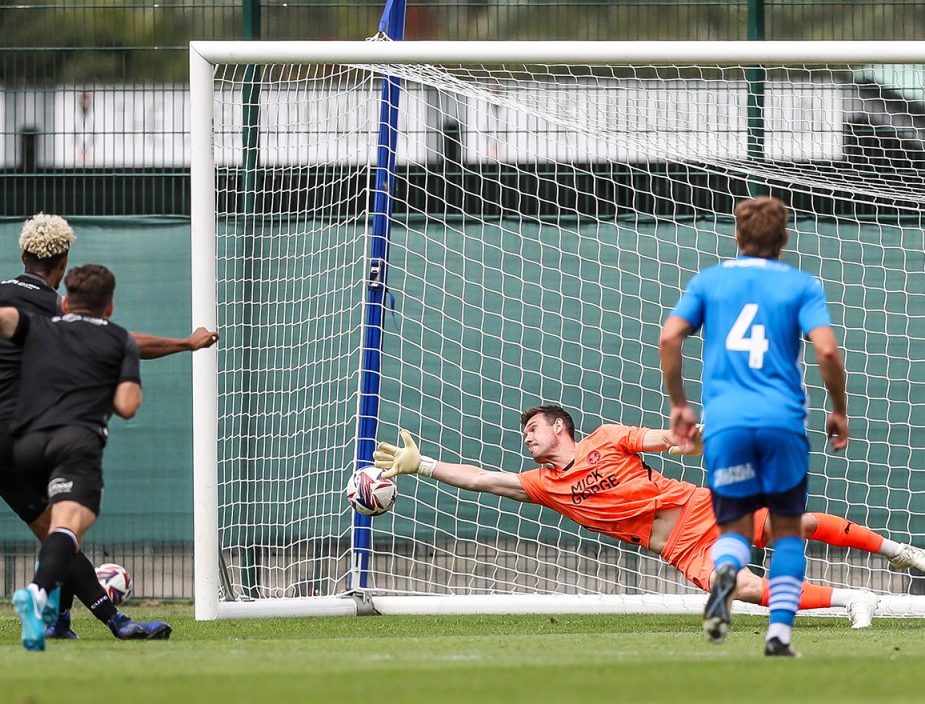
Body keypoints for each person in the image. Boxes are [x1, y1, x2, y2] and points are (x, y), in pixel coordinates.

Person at [374, 405, 924, 632]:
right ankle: (853, 599)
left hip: (698, 504)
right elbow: (483, 479)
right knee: (742, 590)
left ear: (560, 428)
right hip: (677, 547)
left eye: (534, 428)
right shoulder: (542, 484)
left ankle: (901, 553)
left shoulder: (607, 440)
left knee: (795, 523)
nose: (528, 436)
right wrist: (422, 466)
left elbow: (669, 440)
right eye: (525, 433)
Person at [0, 213, 219, 642]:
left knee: (58, 530)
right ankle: (110, 622)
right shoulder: (56, 307)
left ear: (23, 255)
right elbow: (123, 341)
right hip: (36, 430)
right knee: (65, 526)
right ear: (63, 264)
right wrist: (185, 343)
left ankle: (63, 622)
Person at [659, 196, 850, 657]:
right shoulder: (802, 285)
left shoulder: (710, 280)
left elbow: (669, 336)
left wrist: (680, 404)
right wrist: (839, 408)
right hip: (783, 423)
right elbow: (826, 351)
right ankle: (779, 636)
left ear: (737, 237)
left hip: (725, 425)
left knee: (735, 532)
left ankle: (726, 570)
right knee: (786, 530)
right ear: (783, 239)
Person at [0, 264, 148, 650]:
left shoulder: (44, 328)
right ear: (111, 308)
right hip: (73, 442)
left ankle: (59, 615)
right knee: (67, 528)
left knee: (59, 531)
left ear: (65, 303)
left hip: (27, 444)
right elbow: (127, 405)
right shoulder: (119, 340)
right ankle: (40, 592)